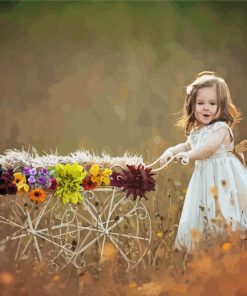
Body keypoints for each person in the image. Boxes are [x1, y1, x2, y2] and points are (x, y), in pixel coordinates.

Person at [160, 71, 247, 250]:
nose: (206, 108)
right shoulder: (197, 130)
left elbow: (207, 148)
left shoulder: (221, 128)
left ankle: (228, 247)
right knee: (200, 211)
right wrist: (171, 151)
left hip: (222, 180)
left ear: (221, 106)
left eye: (212, 103)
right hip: (204, 180)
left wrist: (189, 156)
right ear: (192, 105)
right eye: (200, 103)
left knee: (222, 212)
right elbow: (187, 145)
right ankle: (204, 251)